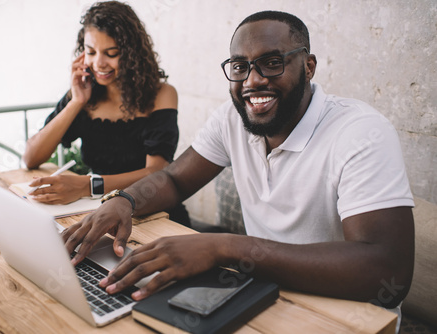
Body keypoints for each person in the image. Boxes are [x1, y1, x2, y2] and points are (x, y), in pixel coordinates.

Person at [63, 9, 414, 323]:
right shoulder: (233, 117)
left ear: (308, 67)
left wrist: (224, 247)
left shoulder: (361, 132)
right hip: (261, 294)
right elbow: (173, 179)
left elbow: (388, 274)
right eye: (240, 66)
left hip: (342, 315)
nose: (253, 80)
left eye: (272, 62)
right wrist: (124, 201)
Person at [22, 1, 190, 226]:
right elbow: (31, 157)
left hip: (151, 212)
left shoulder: (161, 94)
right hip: (99, 210)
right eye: (90, 52)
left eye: (111, 53)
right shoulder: (84, 92)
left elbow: (157, 171)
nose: (98, 63)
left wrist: (87, 185)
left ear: (132, 54)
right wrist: (77, 102)